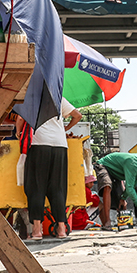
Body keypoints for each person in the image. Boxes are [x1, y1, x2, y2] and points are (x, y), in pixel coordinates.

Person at [17, 98, 82, 239]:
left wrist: (18, 133)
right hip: (60, 146)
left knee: (36, 187)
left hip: (38, 144)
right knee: (58, 188)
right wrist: (65, 129)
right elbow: (78, 115)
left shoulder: (31, 98)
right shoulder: (58, 98)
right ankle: (61, 229)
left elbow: (21, 118)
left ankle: (37, 230)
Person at [93, 152, 137, 229]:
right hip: (104, 166)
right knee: (107, 187)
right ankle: (107, 222)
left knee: (121, 203)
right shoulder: (132, 163)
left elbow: (132, 186)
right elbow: (129, 188)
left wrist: (123, 198)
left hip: (116, 174)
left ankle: (118, 225)